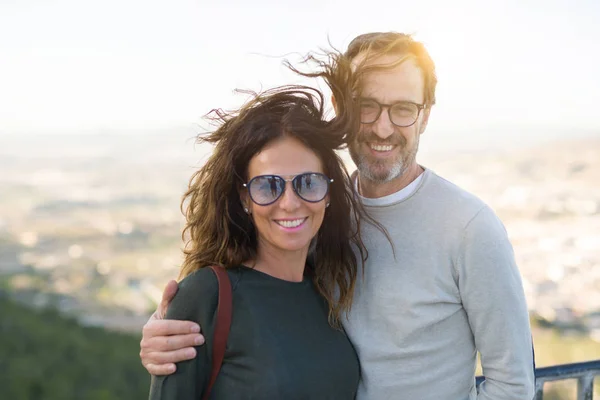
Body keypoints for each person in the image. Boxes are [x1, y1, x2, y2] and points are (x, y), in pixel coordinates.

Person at [141, 32, 535, 400]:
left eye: (403, 109)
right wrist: (166, 330)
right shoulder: (321, 205)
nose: (383, 127)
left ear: (425, 116)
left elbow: (512, 384)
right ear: (343, 109)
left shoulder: (469, 227)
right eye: (367, 106)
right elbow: (261, 296)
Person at [148, 80, 378, 399]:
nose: (289, 202)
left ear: (328, 193)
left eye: (308, 183)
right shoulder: (207, 295)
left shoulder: (331, 290)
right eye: (268, 185)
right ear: (244, 197)